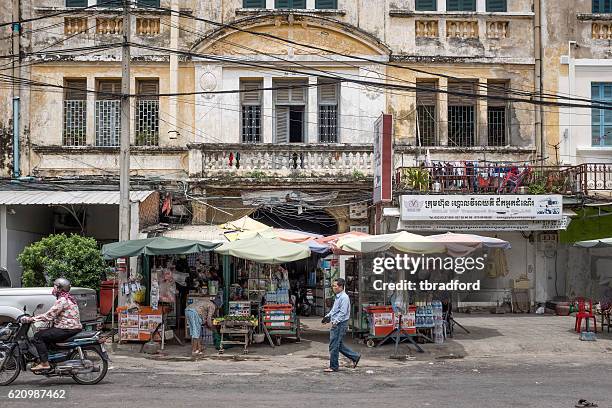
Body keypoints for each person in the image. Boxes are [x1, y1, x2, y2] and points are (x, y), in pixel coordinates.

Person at [20, 278, 82, 372]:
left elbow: (49, 315)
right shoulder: (68, 298)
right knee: (44, 333)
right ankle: (51, 359)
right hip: (70, 327)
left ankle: (44, 363)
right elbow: (55, 315)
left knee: (38, 337)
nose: (54, 288)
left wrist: (31, 319)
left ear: (60, 288)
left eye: (55, 286)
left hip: (67, 328)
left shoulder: (62, 300)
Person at [321, 278, 361, 372]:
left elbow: (343, 313)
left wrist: (335, 321)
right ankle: (355, 357)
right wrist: (327, 317)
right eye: (333, 285)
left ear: (341, 287)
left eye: (335, 286)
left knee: (334, 345)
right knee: (338, 345)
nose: (333, 287)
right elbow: (334, 310)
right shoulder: (338, 296)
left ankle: (333, 366)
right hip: (337, 323)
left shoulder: (344, 297)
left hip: (340, 324)